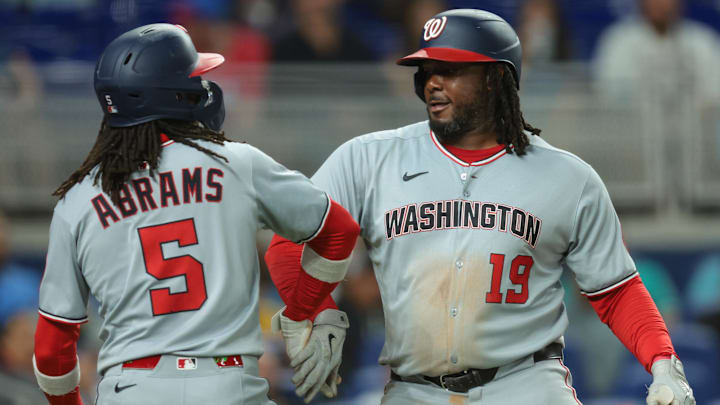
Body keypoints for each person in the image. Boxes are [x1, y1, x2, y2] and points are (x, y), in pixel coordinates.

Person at [264, 9, 696, 405]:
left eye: (449, 71)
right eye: (426, 71)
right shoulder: (367, 158)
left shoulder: (568, 176)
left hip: (526, 385)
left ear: (494, 79)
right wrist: (313, 310)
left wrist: (663, 362)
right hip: (412, 390)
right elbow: (287, 240)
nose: (432, 82)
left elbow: (615, 290)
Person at [32, 23, 360, 405]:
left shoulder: (78, 198)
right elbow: (339, 231)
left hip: (131, 388)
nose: (204, 86)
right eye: (197, 77)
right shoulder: (235, 163)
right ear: (175, 94)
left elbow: (53, 347)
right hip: (228, 383)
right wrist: (304, 310)